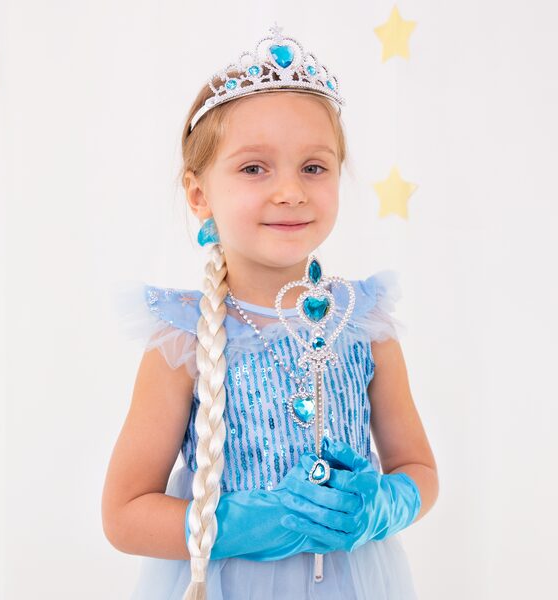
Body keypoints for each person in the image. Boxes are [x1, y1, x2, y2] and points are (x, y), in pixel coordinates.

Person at [102, 23, 439, 600]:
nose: (291, 191)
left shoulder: (363, 321)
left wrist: (380, 507)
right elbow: (124, 513)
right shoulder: (184, 339)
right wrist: (250, 522)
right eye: (254, 168)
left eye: (314, 167)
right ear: (199, 195)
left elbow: (420, 470)